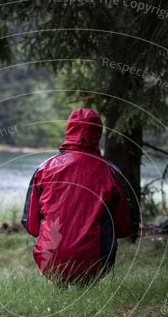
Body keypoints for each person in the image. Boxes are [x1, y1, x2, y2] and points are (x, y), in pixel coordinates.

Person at [22, 108, 139, 283]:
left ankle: (56, 284)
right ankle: (87, 285)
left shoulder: (44, 169)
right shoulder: (111, 172)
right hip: (96, 262)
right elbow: (125, 228)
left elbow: (31, 226)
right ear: (98, 133)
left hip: (50, 260)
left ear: (69, 131)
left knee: (50, 247)